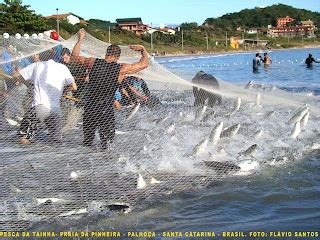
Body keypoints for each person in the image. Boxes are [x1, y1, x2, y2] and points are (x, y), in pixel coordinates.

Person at [71, 28, 149, 148]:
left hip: (90, 108)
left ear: (106, 53)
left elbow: (74, 57)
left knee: (87, 142)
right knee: (107, 144)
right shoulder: (121, 69)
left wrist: (80, 39)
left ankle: (84, 162)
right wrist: (143, 50)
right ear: (117, 57)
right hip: (106, 110)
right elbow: (144, 64)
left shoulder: (92, 62)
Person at [13, 49, 77, 144]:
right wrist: (62, 92)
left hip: (40, 108)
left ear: (41, 57)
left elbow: (16, 75)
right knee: (56, 142)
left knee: (24, 138)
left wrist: (27, 83)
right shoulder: (63, 67)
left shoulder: (36, 65)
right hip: (56, 112)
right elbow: (74, 87)